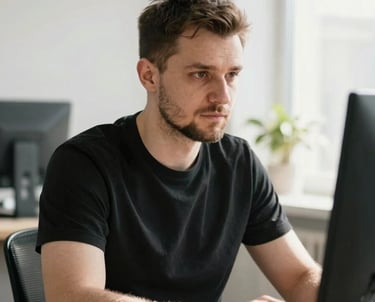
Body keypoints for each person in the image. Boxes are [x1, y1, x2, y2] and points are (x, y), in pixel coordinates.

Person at [36, 0, 322, 301]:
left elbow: (301, 276)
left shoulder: (239, 164)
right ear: (149, 76)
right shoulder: (83, 164)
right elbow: (73, 296)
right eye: (201, 74)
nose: (223, 96)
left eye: (232, 75)